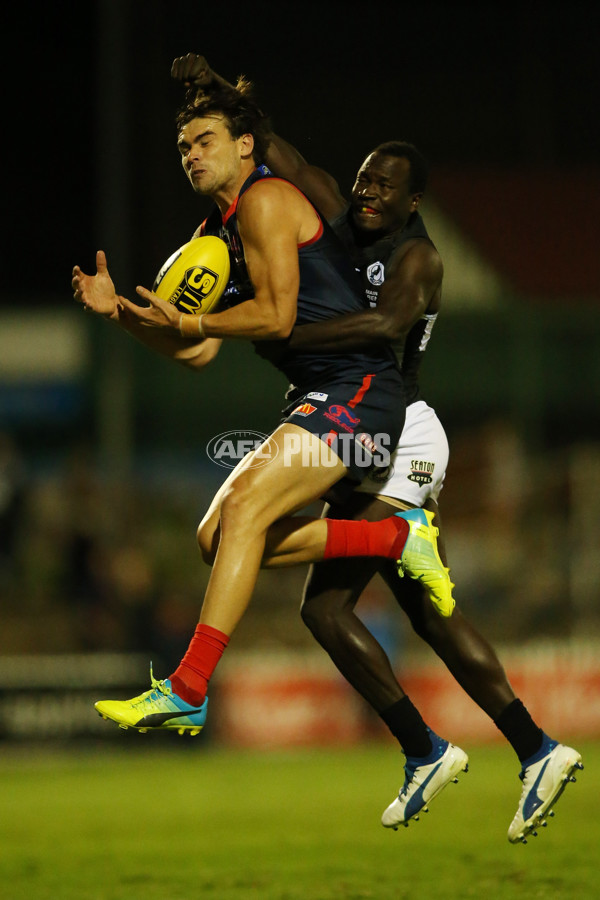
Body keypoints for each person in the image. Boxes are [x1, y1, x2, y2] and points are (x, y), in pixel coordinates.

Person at [168, 55, 583, 845]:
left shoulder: (417, 256)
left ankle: (507, 747)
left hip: (402, 427)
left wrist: (280, 326)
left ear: (412, 202)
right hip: (363, 420)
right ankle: (467, 749)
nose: (366, 194)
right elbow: (272, 150)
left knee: (399, 605)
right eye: (362, 180)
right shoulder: (338, 212)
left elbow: (385, 330)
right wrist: (218, 91)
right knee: (342, 609)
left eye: (383, 188)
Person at [72, 77, 454, 747]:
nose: (190, 153)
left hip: (360, 388)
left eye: (205, 140)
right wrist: (122, 315)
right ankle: (397, 538)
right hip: (318, 396)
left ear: (245, 145)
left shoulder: (269, 200)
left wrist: (194, 323)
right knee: (214, 537)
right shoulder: (212, 237)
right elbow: (196, 353)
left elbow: (275, 316)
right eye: (183, 144)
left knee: (246, 512)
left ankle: (188, 689)